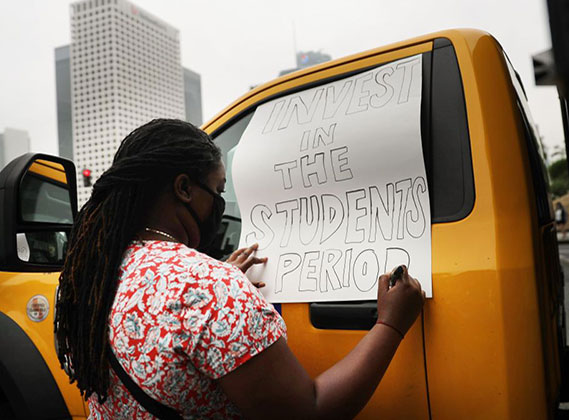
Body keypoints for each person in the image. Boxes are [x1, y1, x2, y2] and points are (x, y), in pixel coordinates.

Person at [54, 119, 426, 419]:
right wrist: (390, 325)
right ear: (184, 188)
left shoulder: (93, 271)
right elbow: (309, 410)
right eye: (217, 191)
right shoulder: (206, 286)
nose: (219, 204)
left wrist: (215, 278)